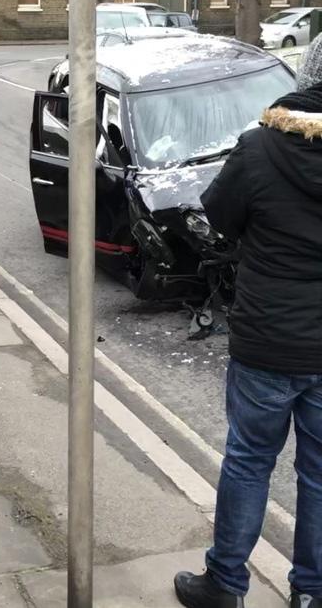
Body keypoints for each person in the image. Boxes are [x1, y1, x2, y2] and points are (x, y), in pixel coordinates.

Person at [174, 33, 322, 608]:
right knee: (318, 476)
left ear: (305, 76)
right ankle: (311, 592)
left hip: (266, 339)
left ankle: (226, 583)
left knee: (249, 462)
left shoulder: (258, 147)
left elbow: (218, 217)